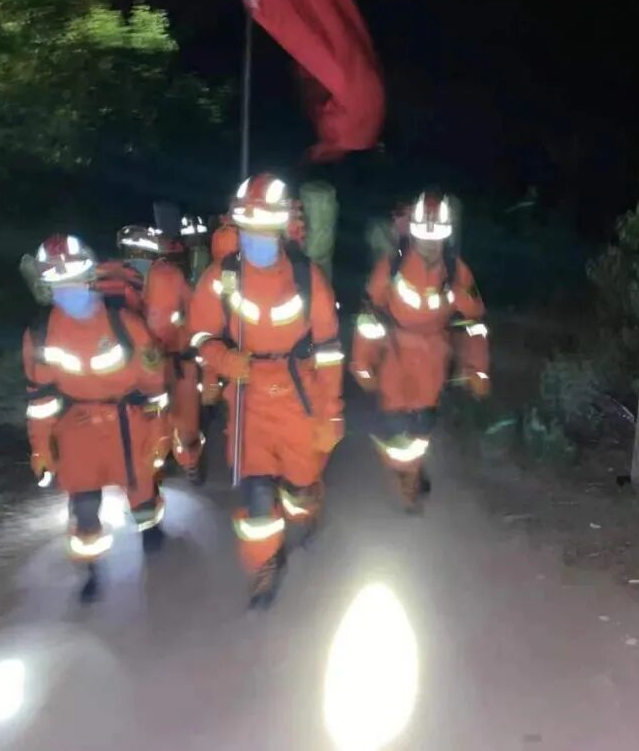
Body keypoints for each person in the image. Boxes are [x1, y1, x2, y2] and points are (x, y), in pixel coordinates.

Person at [186, 173, 344, 609]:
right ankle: (264, 566)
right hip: (248, 398)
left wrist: (331, 413)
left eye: (264, 230)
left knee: (298, 488)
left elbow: (329, 349)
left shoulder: (308, 278)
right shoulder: (222, 278)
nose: (256, 239)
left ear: (280, 229)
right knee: (256, 492)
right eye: (248, 229)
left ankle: (306, 510)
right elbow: (199, 334)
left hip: (299, 396)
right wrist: (222, 358)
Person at [23, 235, 170, 599]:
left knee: (141, 488)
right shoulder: (41, 336)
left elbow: (154, 384)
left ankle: (150, 530)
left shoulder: (125, 324)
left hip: (129, 421)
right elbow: (41, 399)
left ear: (89, 277)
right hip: (78, 427)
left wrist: (160, 430)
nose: (68, 291)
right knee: (84, 504)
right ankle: (92, 570)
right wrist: (41, 448)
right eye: (59, 285)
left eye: (73, 281)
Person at [351, 191, 490, 510]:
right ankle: (407, 478)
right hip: (395, 358)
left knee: (422, 426)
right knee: (395, 426)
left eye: (437, 236)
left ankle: (409, 470)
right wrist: (362, 364)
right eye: (425, 236)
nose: (430, 244)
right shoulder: (392, 267)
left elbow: (474, 323)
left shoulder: (457, 272)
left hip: (433, 362)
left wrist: (478, 370)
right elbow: (368, 318)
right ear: (413, 232)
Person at [118, 218, 206, 485]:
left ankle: (189, 463)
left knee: (184, 420)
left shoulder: (169, 276)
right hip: (144, 366)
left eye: (139, 253)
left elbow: (195, 310)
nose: (136, 258)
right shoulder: (120, 283)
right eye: (132, 253)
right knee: (150, 420)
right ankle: (154, 468)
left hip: (176, 359)